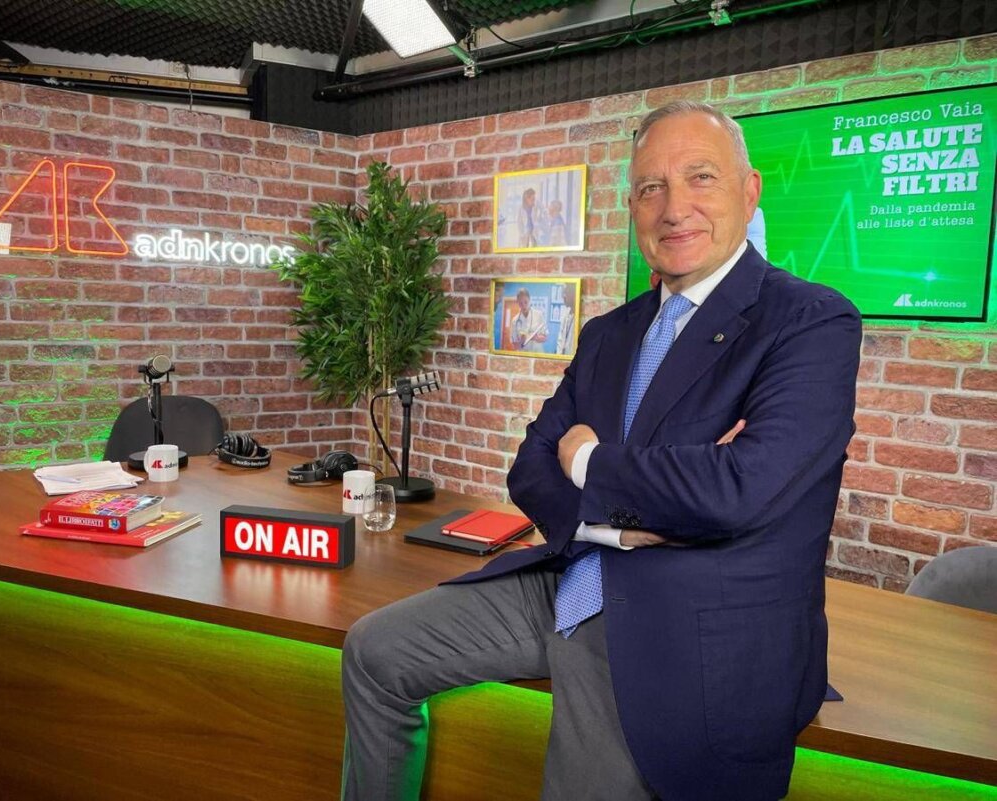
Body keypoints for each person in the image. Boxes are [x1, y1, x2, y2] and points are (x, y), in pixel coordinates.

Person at [341, 101, 861, 801]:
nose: (674, 208)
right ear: (633, 207)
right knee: (373, 650)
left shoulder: (810, 320)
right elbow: (530, 466)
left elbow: (737, 489)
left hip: (686, 617)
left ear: (750, 191)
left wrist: (587, 461)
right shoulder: (610, 333)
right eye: (651, 187)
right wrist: (616, 523)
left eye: (700, 177)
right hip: (576, 572)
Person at [509, 287, 547, 352]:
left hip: (537, 353)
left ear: (529, 299)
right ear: (517, 302)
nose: (523, 306)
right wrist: (521, 341)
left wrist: (536, 338)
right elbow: (515, 345)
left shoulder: (539, 315)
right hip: (522, 355)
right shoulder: (515, 321)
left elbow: (545, 337)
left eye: (525, 302)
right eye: (520, 303)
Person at [555, 282, 576, 356]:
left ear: (573, 294)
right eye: (563, 293)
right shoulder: (565, 314)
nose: (563, 296)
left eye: (566, 292)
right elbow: (560, 340)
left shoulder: (580, 315)